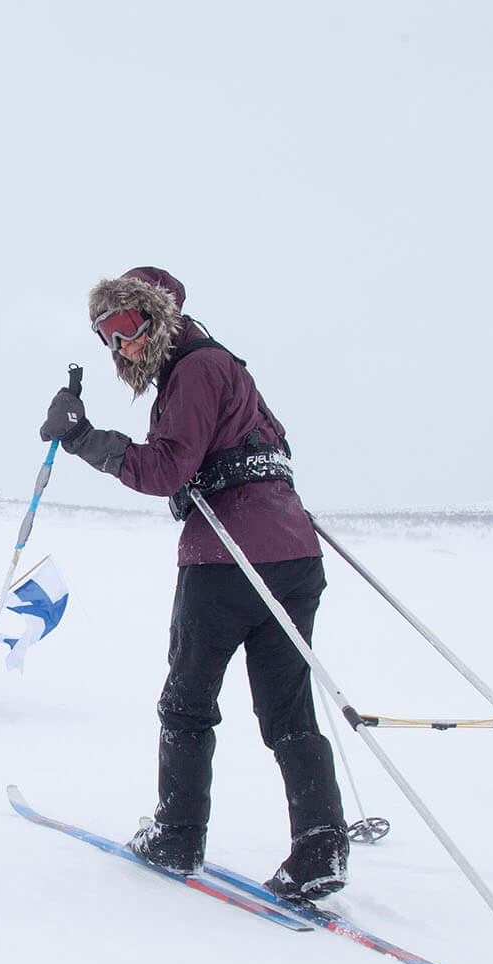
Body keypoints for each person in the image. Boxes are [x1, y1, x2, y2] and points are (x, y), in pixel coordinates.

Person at [39, 266, 349, 902]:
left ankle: (178, 834)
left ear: (157, 318)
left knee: (186, 703)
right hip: (293, 556)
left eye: (124, 327)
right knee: (287, 709)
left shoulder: (194, 369)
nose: (118, 346)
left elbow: (166, 469)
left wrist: (82, 439)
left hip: (227, 559)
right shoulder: (225, 367)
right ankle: (320, 845)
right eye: (105, 336)